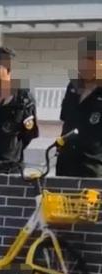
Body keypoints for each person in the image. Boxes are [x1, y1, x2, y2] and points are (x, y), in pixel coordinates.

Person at [56, 33, 102, 177]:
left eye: (90, 59)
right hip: (65, 163)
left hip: (92, 167)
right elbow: (66, 119)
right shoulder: (73, 86)